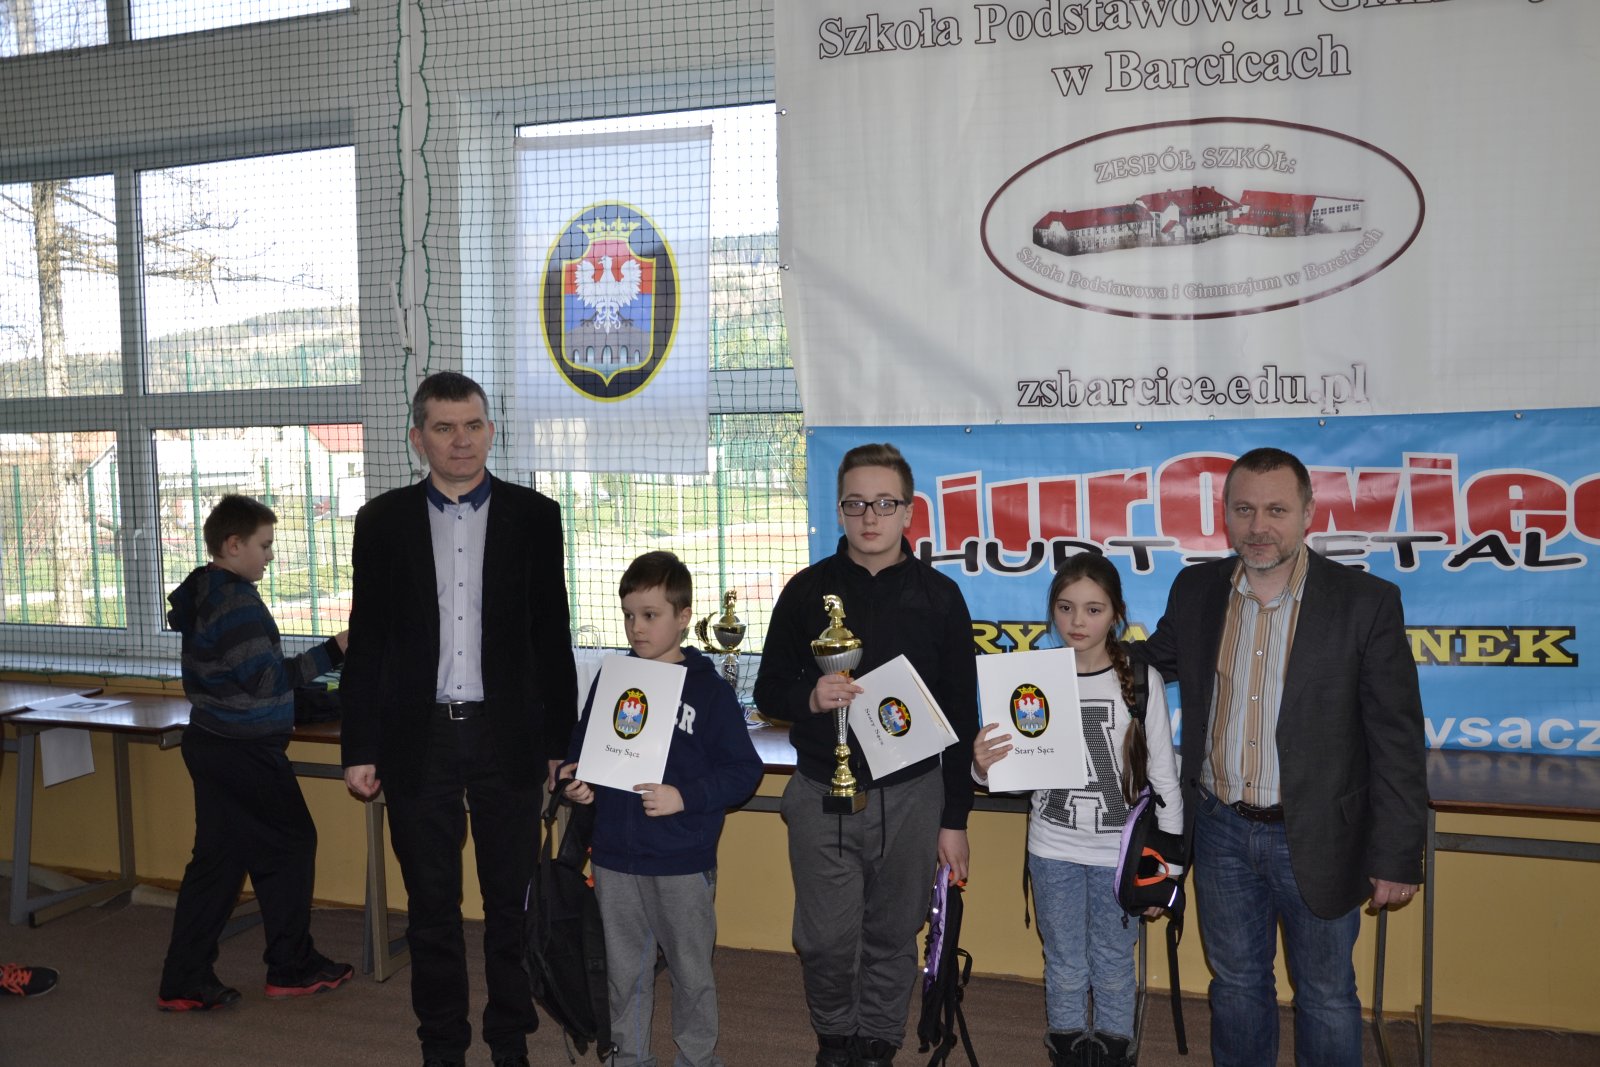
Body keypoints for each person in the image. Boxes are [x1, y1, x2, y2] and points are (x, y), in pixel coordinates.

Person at [1137, 447, 1428, 1067]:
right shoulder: (1196, 590)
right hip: (1219, 830)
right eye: (1244, 510)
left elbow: (1397, 739)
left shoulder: (1366, 602)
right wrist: (1054, 674)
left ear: (1308, 513)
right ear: (1225, 514)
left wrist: (1397, 854)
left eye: (1276, 510)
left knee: (1326, 996)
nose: (1258, 526)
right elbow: (1144, 667)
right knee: (1237, 986)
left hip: (1319, 835)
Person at [340, 371, 578, 1067]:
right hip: (420, 740)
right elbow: (369, 641)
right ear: (418, 439)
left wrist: (560, 743)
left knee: (511, 903)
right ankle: (442, 1045)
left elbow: (551, 637)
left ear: (490, 432)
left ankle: (509, 1040)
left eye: (472, 425)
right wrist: (360, 744)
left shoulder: (536, 516)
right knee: (432, 907)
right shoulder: (380, 522)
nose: (461, 440)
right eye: (444, 428)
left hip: (509, 738)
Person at [753, 442, 980, 1067]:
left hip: (913, 795)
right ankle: (835, 1036)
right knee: (824, 940)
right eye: (855, 504)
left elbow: (960, 716)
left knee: (893, 933)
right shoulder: (806, 592)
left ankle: (878, 1041)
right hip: (822, 791)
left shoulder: (941, 598)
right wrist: (810, 696)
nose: (869, 517)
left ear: (909, 511)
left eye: (884, 503)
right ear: (839, 509)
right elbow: (767, 689)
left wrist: (955, 818)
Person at [972, 552, 1182, 1067]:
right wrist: (979, 766)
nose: (1077, 621)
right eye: (1065, 608)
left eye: (1093, 609)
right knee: (1064, 959)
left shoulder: (1141, 680)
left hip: (1120, 856)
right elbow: (999, 774)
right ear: (1052, 612)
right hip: (1052, 849)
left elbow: (1165, 783)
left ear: (1116, 614)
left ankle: (1112, 1048)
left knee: (1113, 959)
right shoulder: (1031, 679)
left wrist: (1168, 873)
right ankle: (1066, 1045)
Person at [558, 551, 763, 1067]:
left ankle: (696, 1059)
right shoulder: (612, 679)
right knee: (623, 971)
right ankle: (628, 1057)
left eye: (650, 615)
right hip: (613, 855)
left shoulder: (709, 692)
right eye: (629, 615)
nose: (637, 627)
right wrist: (577, 784)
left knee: (692, 972)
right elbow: (582, 752)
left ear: (683, 616)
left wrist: (684, 797)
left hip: (680, 860)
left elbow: (744, 772)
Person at [158, 494, 353, 1012]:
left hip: (213, 744)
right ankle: (291, 968)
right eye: (264, 546)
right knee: (290, 846)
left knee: (219, 864)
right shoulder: (236, 601)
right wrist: (336, 649)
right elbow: (266, 680)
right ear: (233, 544)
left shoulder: (206, 588)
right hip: (243, 753)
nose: (270, 555)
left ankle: (183, 979)